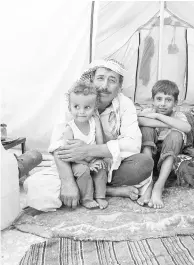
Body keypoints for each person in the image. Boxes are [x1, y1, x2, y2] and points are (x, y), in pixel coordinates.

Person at [26, 59, 154, 210]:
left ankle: (95, 189)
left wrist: (88, 150)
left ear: (119, 87)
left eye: (112, 80)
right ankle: (103, 191)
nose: (104, 86)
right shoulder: (75, 100)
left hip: (105, 166)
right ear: (92, 79)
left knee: (144, 164)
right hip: (76, 166)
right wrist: (67, 182)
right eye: (100, 78)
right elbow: (58, 146)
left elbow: (133, 144)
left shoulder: (125, 104)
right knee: (39, 189)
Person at [137, 80, 191, 208]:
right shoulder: (147, 111)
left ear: (175, 103)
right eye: (159, 99)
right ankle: (148, 184)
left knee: (176, 135)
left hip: (168, 161)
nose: (162, 104)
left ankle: (158, 186)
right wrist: (169, 123)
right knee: (146, 129)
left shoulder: (178, 115)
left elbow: (187, 128)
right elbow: (138, 121)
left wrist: (157, 116)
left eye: (168, 100)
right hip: (149, 157)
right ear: (153, 100)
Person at [62, 81, 108, 209]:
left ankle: (100, 195)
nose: (81, 112)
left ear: (94, 108)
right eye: (76, 107)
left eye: (87, 107)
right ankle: (86, 198)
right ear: (69, 108)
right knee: (83, 171)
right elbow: (70, 154)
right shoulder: (69, 129)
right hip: (77, 161)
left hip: (93, 155)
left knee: (102, 167)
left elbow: (100, 144)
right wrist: (88, 164)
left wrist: (98, 159)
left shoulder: (95, 122)